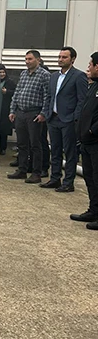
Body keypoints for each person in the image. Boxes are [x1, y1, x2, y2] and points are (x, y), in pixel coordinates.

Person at [41, 47, 88, 192]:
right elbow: (49, 96)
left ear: (72, 59)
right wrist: (47, 112)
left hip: (68, 120)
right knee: (54, 150)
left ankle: (68, 182)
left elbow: (82, 99)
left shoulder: (78, 76)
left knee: (69, 152)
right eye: (60, 57)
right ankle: (55, 178)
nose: (60, 59)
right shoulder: (54, 76)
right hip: (53, 118)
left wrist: (75, 118)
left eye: (64, 57)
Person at [7, 50, 51, 184]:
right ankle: (22, 170)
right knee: (21, 144)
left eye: (30, 59)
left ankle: (36, 173)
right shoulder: (23, 74)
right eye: (26, 59)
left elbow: (47, 96)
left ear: (38, 59)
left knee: (35, 144)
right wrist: (12, 110)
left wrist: (43, 113)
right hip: (21, 112)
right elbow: (17, 92)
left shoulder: (45, 75)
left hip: (34, 113)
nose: (27, 61)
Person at [70, 52, 98, 229]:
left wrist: (91, 130)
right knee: (90, 178)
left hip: (95, 141)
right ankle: (93, 210)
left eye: (90, 64)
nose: (88, 67)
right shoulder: (93, 86)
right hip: (86, 142)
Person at [0, 64, 17, 156]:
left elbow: (16, 93)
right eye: (0, 72)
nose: (2, 74)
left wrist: (7, 92)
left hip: (4, 109)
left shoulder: (10, 82)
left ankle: (3, 148)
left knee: (3, 130)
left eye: (3, 72)